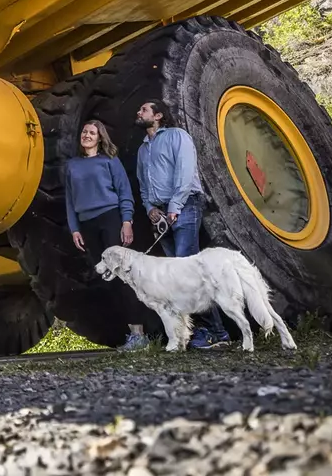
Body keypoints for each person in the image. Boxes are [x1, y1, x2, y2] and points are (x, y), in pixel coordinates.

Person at [135, 99, 231, 349]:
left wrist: (175, 207)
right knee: (176, 276)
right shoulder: (143, 149)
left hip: (185, 205)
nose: (139, 112)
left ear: (158, 116)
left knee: (187, 273)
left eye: (144, 109)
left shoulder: (177, 136)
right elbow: (143, 186)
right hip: (160, 214)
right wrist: (150, 209)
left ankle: (216, 332)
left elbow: (185, 173)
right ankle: (197, 332)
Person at [65, 120, 149, 352]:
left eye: (92, 133)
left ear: (100, 138)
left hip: (110, 219)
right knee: (106, 278)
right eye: (84, 132)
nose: (87, 135)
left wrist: (127, 222)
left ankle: (139, 335)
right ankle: (124, 334)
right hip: (87, 225)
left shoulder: (110, 161)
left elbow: (124, 192)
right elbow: (70, 202)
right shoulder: (72, 165)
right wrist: (74, 229)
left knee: (123, 276)